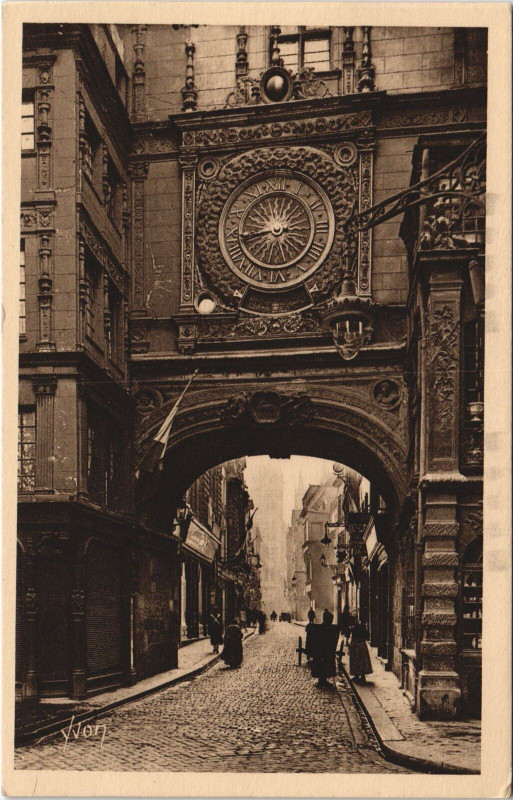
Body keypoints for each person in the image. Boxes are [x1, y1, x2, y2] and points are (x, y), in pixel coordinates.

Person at [310, 609, 340, 688]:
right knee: (324, 663)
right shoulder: (326, 629)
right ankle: (322, 680)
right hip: (323, 651)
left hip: (323, 651)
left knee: (325, 664)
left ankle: (323, 680)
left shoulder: (321, 628)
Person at [349, 619, 373, 683]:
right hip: (362, 645)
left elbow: (353, 637)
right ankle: (362, 676)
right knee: (362, 660)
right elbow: (367, 635)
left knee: (357, 660)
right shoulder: (361, 627)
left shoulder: (355, 629)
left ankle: (357, 676)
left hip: (356, 645)